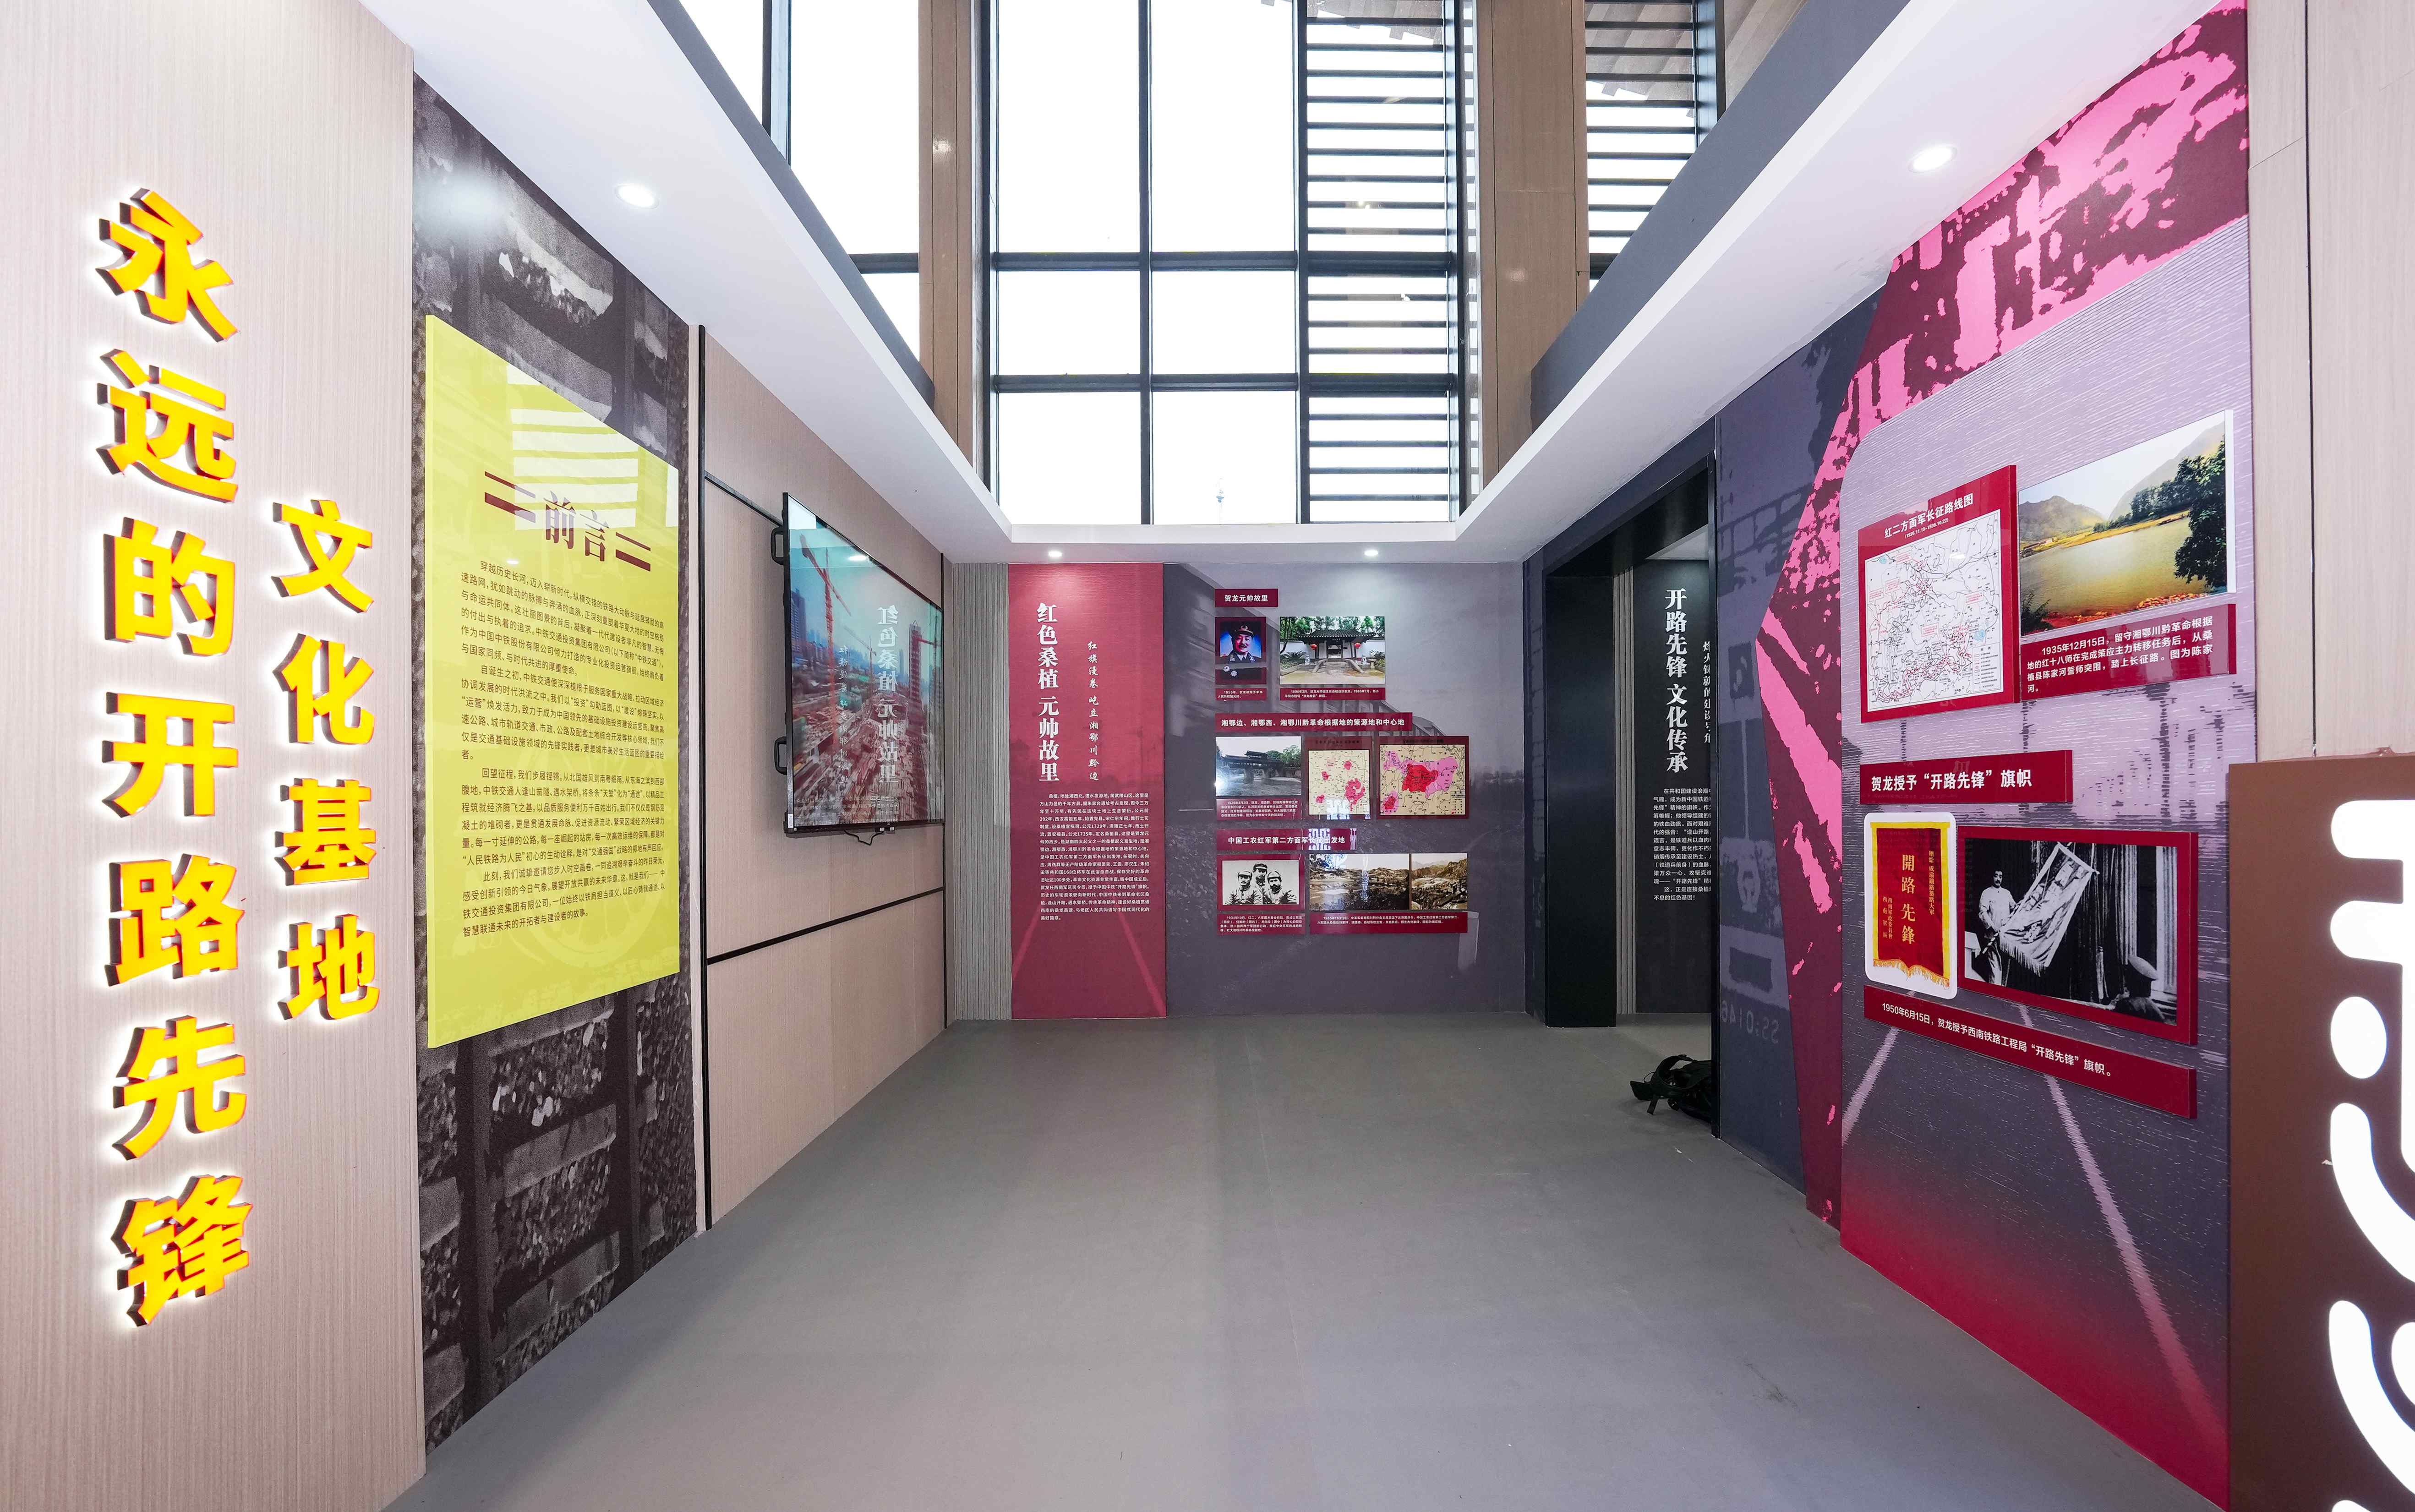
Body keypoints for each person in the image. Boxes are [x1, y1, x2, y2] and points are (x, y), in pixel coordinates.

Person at [1974, 869, 2015, 984]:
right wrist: (1992, 927)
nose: (1998, 879)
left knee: (2005, 967)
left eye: (2001, 877)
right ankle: (1994, 990)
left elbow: (2014, 908)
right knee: (1995, 968)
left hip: (2006, 937)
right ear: (1992, 877)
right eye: (1996, 876)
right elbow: (1982, 912)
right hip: (1992, 936)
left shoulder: (2007, 893)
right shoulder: (1987, 893)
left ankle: (2002, 990)